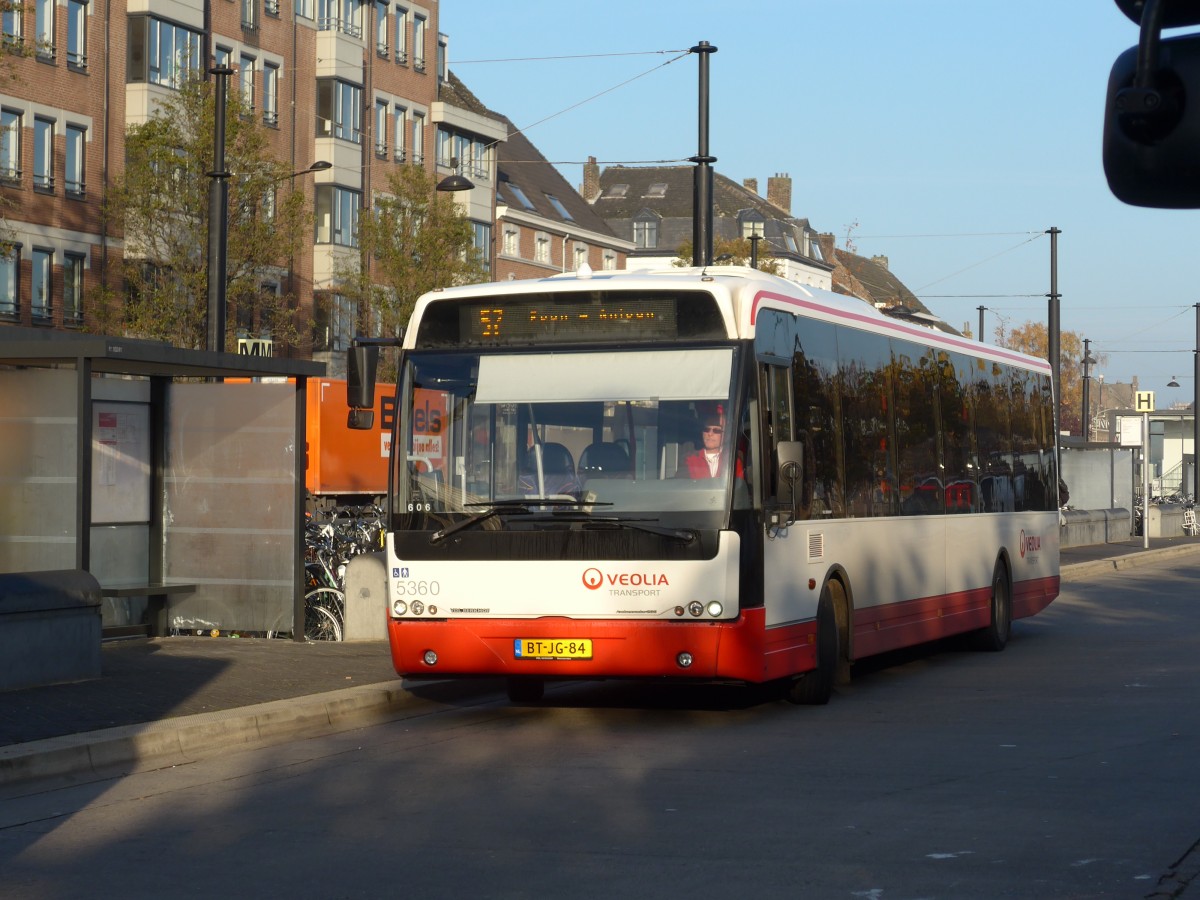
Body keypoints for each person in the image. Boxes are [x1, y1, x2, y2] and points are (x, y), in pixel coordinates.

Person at [683, 408, 744, 479]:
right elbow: (680, 486)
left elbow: (738, 487)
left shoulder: (733, 461)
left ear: (726, 435)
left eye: (717, 430)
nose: (710, 433)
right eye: (707, 429)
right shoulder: (689, 459)